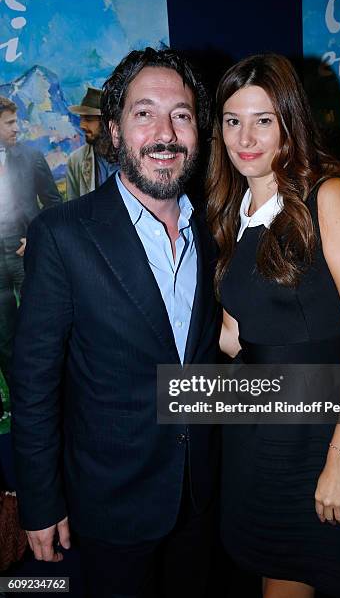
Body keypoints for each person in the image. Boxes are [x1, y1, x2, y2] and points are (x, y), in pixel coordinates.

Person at [11, 48, 220, 598]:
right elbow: (34, 382)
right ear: (114, 129)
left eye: (181, 115)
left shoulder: (215, 232)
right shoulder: (64, 234)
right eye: (144, 112)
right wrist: (40, 499)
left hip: (200, 498)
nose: (165, 133)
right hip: (109, 507)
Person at [206, 53, 340, 598]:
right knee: (281, 577)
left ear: (290, 122)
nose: (244, 137)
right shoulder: (232, 211)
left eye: (263, 120)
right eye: (232, 120)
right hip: (264, 430)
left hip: (333, 429)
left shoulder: (329, 198)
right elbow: (232, 338)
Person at [0, 96, 61, 401]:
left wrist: (35, 237)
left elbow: (53, 205)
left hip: (26, 252)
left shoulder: (33, 158)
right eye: (10, 122)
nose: (17, 127)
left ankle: (51, 395)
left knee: (39, 332)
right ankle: (21, 399)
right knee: (4, 336)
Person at [66, 86, 117, 199]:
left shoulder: (133, 156)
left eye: (88, 119)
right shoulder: (76, 161)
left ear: (107, 123)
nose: (82, 125)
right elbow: (73, 208)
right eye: (81, 119)